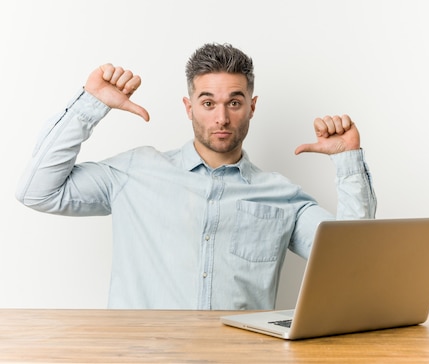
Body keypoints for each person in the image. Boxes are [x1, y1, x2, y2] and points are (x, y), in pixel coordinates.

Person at [15, 43, 376, 310]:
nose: (221, 117)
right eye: (208, 103)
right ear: (189, 108)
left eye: (234, 102)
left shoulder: (282, 195)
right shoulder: (134, 173)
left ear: (252, 107)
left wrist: (348, 162)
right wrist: (90, 105)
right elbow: (37, 191)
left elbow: (351, 261)